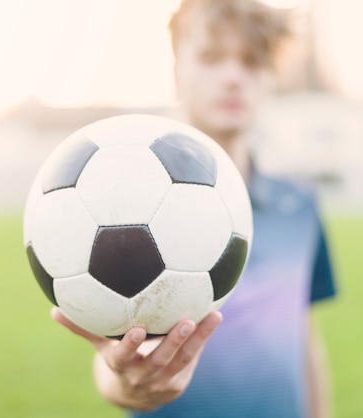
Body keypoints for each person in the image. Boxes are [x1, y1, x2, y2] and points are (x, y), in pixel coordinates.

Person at [52, 0, 337, 416]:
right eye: (211, 57)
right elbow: (116, 358)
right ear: (175, 72)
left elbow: (304, 336)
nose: (234, 77)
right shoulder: (127, 207)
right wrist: (128, 385)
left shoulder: (300, 207)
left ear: (270, 77)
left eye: (252, 60)